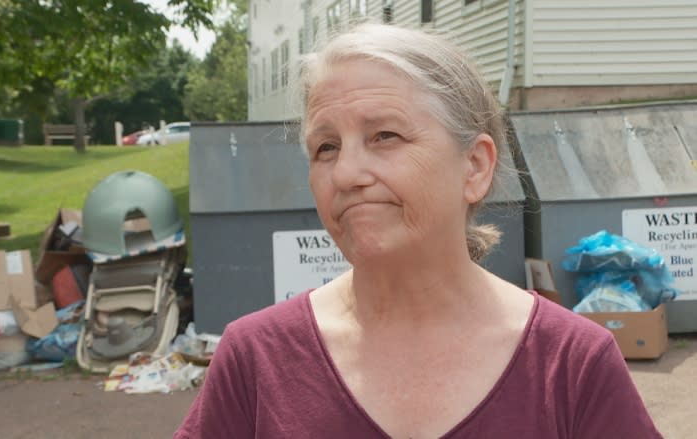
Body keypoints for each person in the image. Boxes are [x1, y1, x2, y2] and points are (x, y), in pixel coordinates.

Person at [174, 24, 661, 438]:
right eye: (325, 147)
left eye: (385, 135)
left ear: (474, 167)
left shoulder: (571, 365)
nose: (346, 174)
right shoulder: (256, 361)